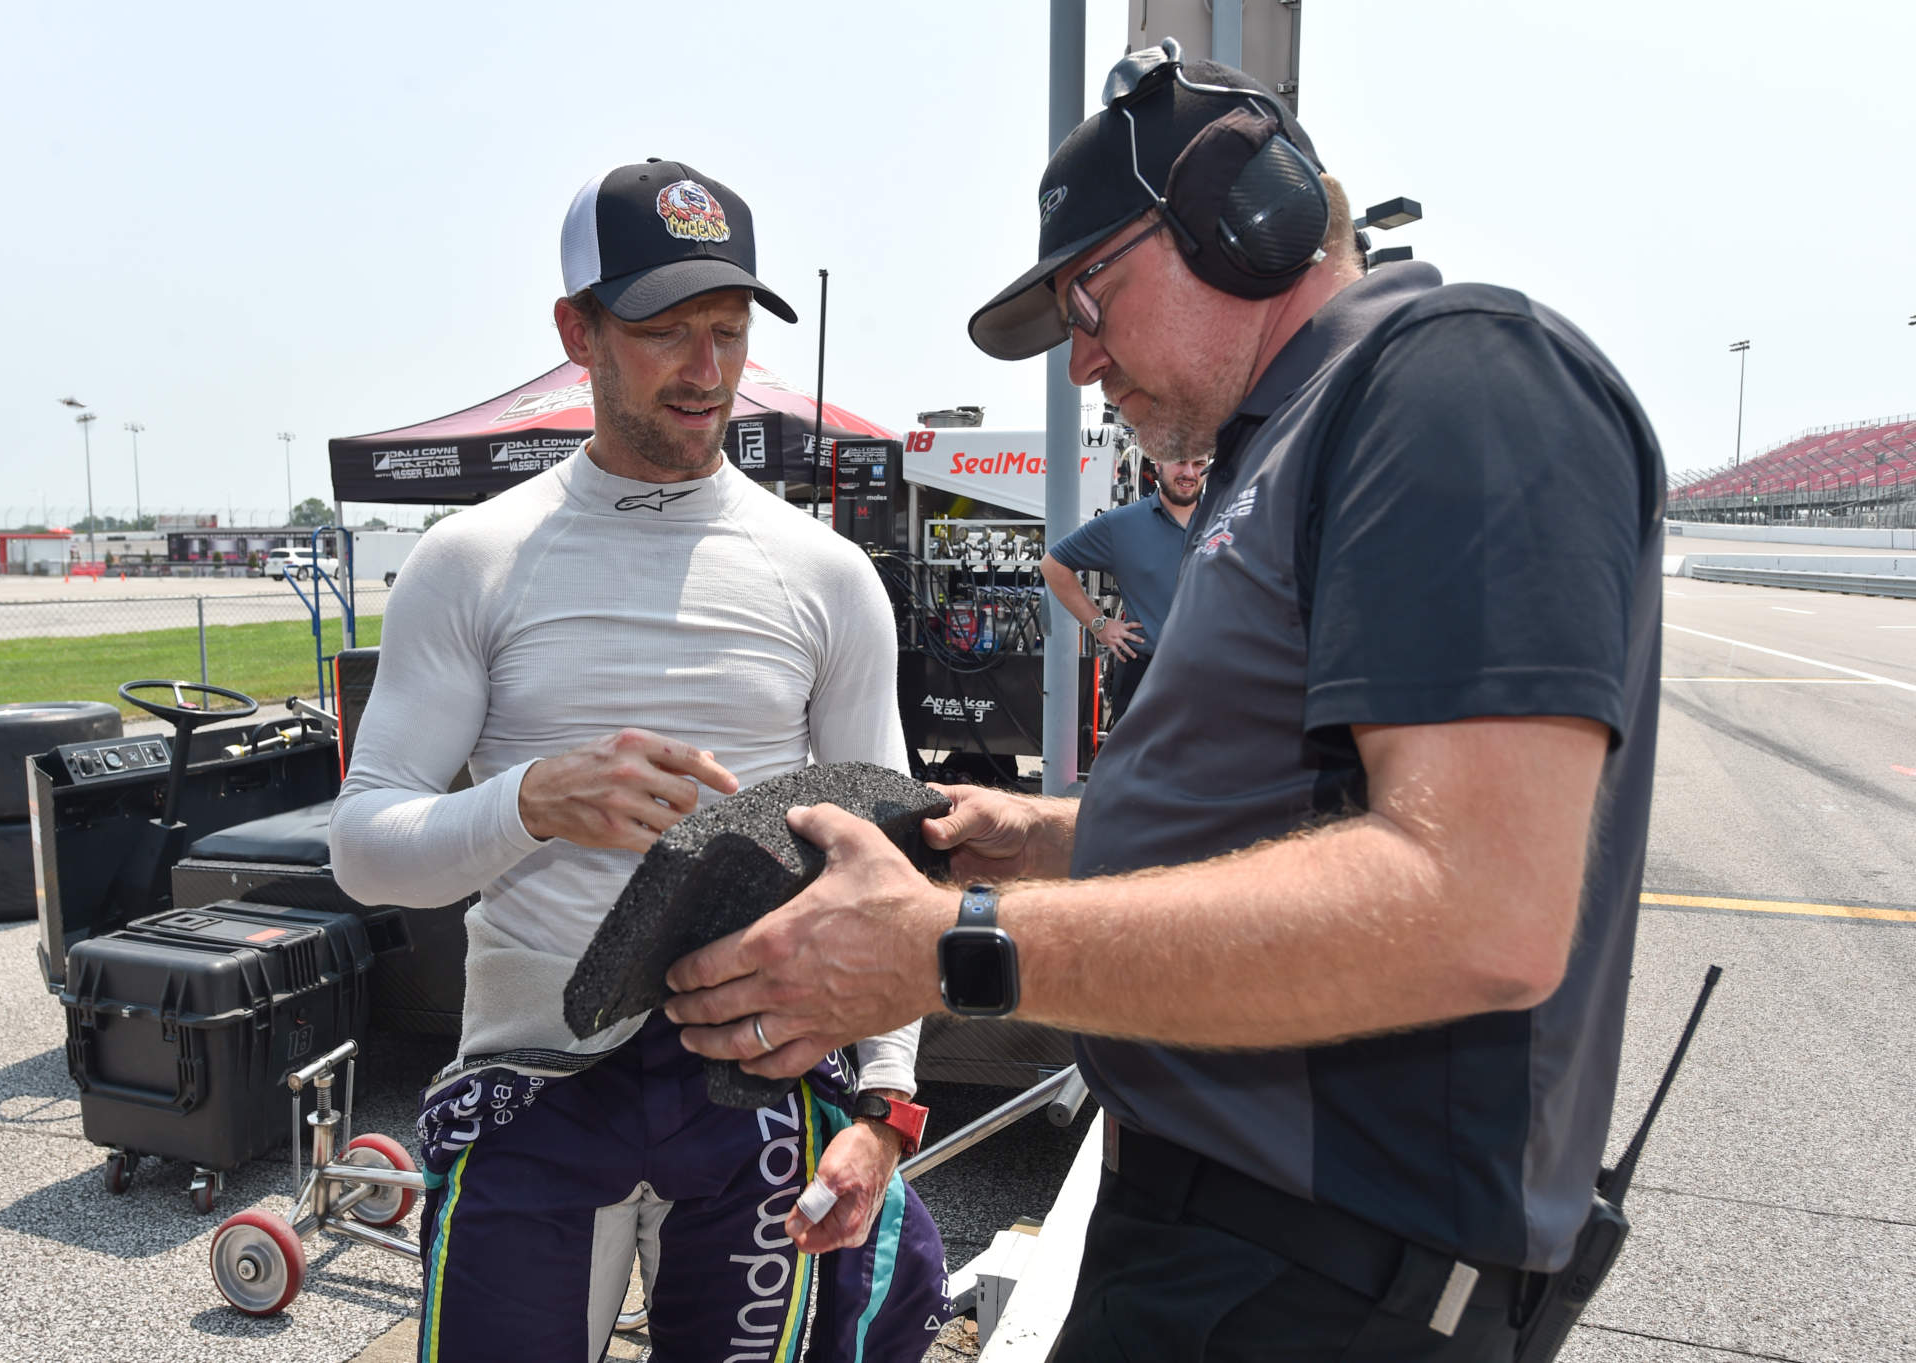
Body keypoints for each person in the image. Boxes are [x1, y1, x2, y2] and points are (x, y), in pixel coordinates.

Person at [663, 42, 1664, 1362]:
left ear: (1246, 218)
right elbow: (1305, 808)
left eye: (1093, 302)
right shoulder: (1288, 445)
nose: (1083, 364)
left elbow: (1477, 903)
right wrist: (1053, 839)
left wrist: (962, 942)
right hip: (1228, 1256)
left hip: (1322, 1285)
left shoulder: (1454, 377)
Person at [331, 158, 947, 1363]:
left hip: (755, 1094)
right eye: (666, 332)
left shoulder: (823, 572)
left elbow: (896, 862)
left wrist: (882, 1111)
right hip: (537, 1085)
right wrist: (531, 801)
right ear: (579, 332)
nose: (706, 370)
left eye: (725, 331)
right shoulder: (473, 559)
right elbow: (361, 852)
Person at [1038, 448, 1207, 727]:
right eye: (1180, 462)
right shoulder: (1122, 524)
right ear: (1158, 463)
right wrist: (1100, 625)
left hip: (1216, 677)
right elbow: (1053, 565)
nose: (1189, 473)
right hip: (1146, 678)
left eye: (1199, 463)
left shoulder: (1227, 517)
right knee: (1145, 770)